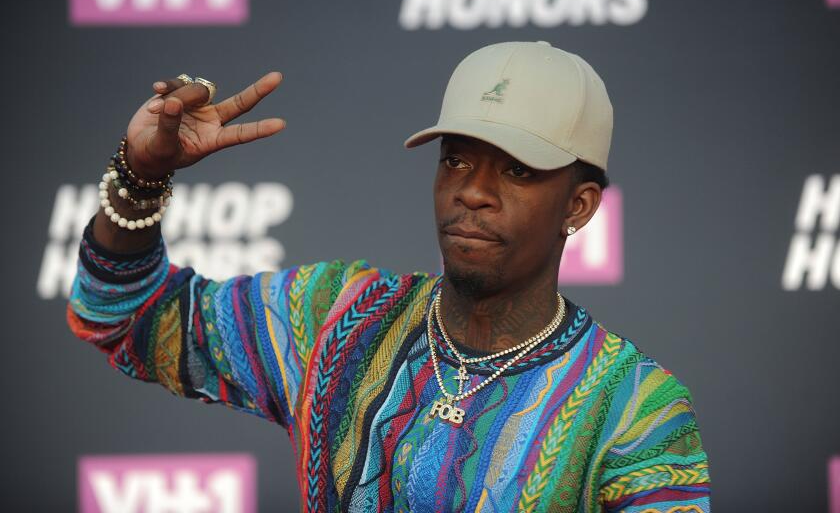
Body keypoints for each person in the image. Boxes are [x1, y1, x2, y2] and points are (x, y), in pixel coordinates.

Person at [67, 41, 711, 512]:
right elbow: (127, 319)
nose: (474, 192)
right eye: (457, 160)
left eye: (516, 170)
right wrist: (141, 175)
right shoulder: (336, 318)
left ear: (579, 205)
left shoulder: (635, 411)